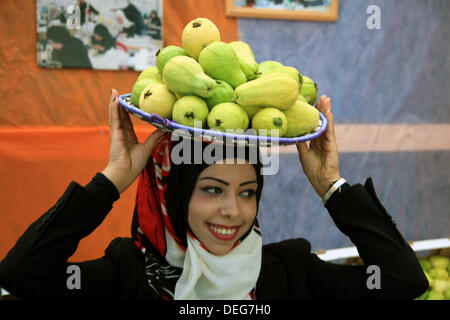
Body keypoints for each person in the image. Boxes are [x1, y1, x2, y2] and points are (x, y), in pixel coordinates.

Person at [0, 90, 428, 299]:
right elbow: (22, 274)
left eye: (248, 192)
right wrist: (111, 179)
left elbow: (402, 281)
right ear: (173, 192)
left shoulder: (288, 273)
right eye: (211, 189)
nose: (233, 210)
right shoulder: (128, 277)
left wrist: (332, 187)